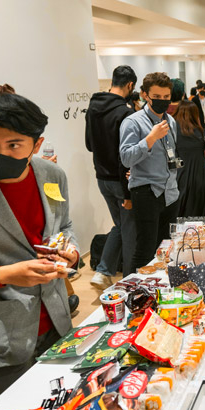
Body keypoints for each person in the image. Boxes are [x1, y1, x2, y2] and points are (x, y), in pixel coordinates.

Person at [0, 93, 79, 406]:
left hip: (57, 324)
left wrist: (71, 251)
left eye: (13, 145)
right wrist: (4, 275)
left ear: (36, 145)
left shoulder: (52, 176)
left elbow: (64, 226)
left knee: (65, 409)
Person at [120, 72, 180, 272]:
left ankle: (159, 289)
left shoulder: (171, 121)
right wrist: (150, 139)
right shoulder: (133, 122)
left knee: (167, 248)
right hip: (146, 192)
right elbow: (126, 158)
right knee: (145, 250)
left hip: (170, 192)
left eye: (166, 97)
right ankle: (135, 292)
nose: (162, 101)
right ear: (145, 95)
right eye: (157, 97)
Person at [85, 64, 137, 285]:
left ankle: (104, 271)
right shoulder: (125, 113)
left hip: (101, 178)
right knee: (129, 229)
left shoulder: (93, 107)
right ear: (130, 85)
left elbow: (89, 144)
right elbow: (125, 157)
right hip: (120, 180)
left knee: (121, 225)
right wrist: (128, 194)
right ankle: (129, 278)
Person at [173, 101, 205, 224]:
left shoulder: (173, 130)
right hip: (202, 175)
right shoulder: (199, 131)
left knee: (182, 215)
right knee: (202, 215)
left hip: (181, 175)